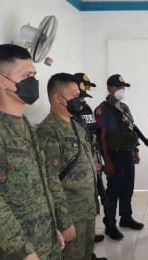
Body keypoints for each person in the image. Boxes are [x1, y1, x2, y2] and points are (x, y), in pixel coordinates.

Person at [0, 44, 63, 259]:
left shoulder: (26, 124)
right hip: (19, 250)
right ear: (2, 81)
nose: (33, 81)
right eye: (26, 75)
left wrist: (53, 228)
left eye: (34, 74)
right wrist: (22, 251)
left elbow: (41, 183)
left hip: (46, 240)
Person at [36, 73, 103, 260]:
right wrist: (64, 222)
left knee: (87, 254)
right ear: (59, 98)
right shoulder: (49, 130)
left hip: (87, 208)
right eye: (74, 96)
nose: (79, 100)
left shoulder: (76, 126)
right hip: (71, 214)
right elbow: (51, 179)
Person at [94, 74, 144, 241]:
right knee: (113, 191)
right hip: (113, 154)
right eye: (118, 87)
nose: (121, 90)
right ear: (109, 88)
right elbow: (101, 137)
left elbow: (131, 130)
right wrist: (107, 162)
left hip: (127, 153)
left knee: (127, 188)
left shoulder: (125, 107)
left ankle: (126, 217)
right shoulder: (103, 109)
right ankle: (110, 224)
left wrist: (135, 151)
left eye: (123, 87)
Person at [73, 72, 105, 246]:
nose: (87, 88)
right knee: (81, 202)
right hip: (79, 162)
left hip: (92, 156)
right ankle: (81, 240)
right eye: (84, 85)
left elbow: (93, 133)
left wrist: (97, 158)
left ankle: (89, 236)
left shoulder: (87, 108)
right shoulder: (71, 109)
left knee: (92, 199)